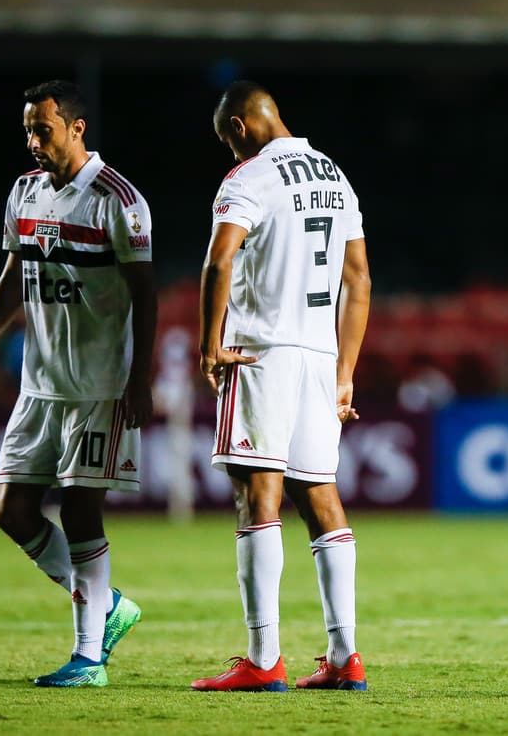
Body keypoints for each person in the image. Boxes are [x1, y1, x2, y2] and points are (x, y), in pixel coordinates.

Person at [0, 80, 157, 688]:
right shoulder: (24, 193)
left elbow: (146, 298)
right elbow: (14, 273)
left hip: (98, 387)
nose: (32, 141)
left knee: (79, 509)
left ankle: (89, 658)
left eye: (42, 129)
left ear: (76, 127)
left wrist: (140, 378)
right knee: (11, 510)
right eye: (27, 130)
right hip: (38, 386)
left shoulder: (118, 200)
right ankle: (109, 606)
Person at [191, 81, 371, 693]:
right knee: (321, 496)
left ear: (238, 128)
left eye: (225, 141)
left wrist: (209, 344)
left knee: (257, 496)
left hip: (262, 351)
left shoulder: (248, 180)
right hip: (320, 355)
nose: (228, 152)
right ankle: (345, 657)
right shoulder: (333, 174)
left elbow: (219, 262)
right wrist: (345, 370)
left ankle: (263, 658)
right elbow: (359, 278)